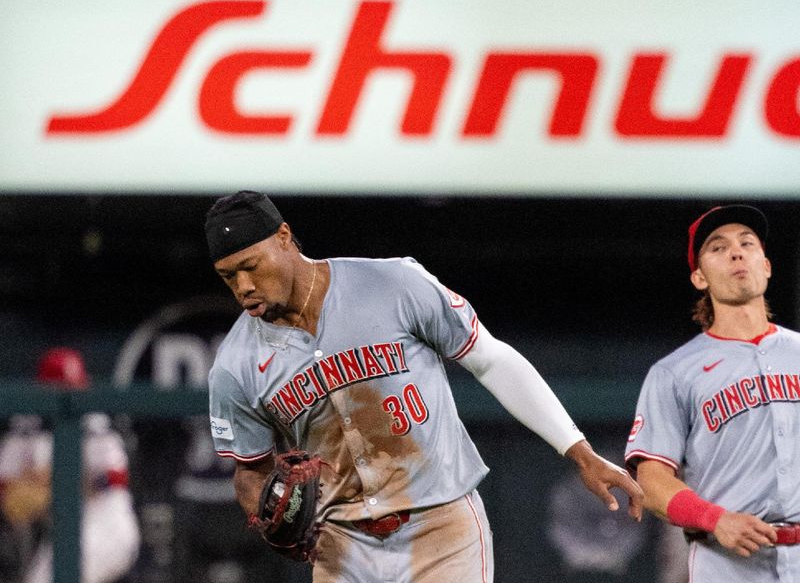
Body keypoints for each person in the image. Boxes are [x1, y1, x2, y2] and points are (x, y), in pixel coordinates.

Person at [204, 191, 643, 583]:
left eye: (251, 267)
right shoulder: (234, 365)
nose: (243, 287)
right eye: (228, 276)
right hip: (341, 546)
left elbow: (489, 359)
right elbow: (251, 469)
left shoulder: (392, 284)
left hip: (441, 525)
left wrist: (579, 451)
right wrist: (265, 516)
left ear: (284, 237)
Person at [624, 205, 800, 582]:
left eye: (747, 243)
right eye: (718, 247)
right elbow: (652, 482)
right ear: (700, 277)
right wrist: (714, 519)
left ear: (766, 266)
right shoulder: (674, 373)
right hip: (729, 564)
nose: (736, 252)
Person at [0, 348, 141, 583]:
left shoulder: (97, 425)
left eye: (73, 387)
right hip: (59, 533)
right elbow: (6, 484)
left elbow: (113, 480)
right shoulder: (26, 425)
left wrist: (53, 485)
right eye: (60, 388)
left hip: (106, 527)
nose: (69, 394)